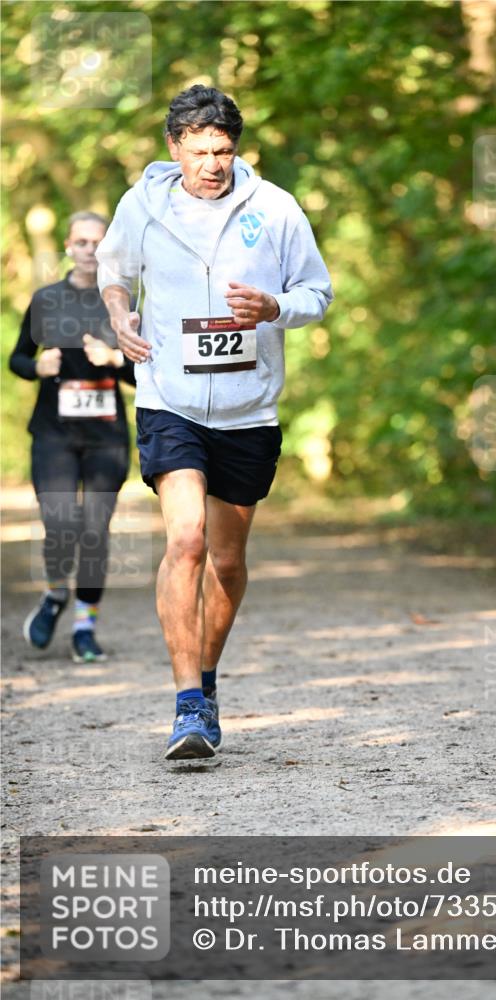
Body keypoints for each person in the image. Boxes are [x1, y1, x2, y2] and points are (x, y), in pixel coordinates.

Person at [96, 84, 333, 761]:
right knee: (188, 541)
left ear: (237, 147)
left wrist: (273, 308)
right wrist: (119, 315)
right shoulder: (142, 206)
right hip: (169, 398)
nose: (211, 163)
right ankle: (186, 706)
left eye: (222, 150)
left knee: (226, 562)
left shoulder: (276, 210)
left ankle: (205, 677)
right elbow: (115, 272)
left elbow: (317, 292)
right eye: (198, 150)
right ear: (173, 147)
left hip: (248, 409)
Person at [9, 211, 136, 663]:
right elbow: (17, 358)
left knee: (95, 532)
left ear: (108, 249)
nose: (89, 250)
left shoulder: (121, 303)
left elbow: (148, 375)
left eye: (97, 242)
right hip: (54, 436)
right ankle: (54, 594)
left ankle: (85, 626)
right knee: (61, 525)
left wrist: (116, 360)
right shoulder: (46, 300)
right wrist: (36, 366)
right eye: (81, 242)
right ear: (68, 247)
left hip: (106, 439)